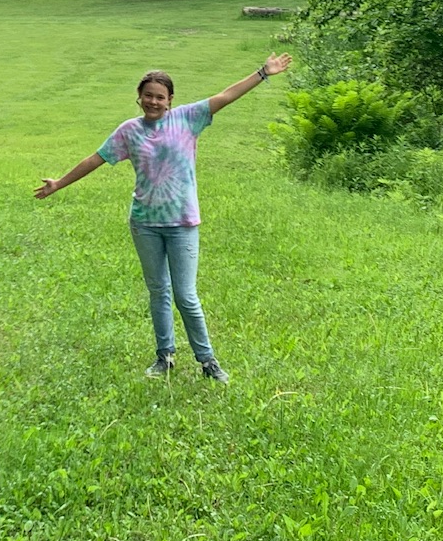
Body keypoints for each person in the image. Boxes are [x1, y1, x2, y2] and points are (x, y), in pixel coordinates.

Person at [35, 54, 292, 380]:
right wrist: (59, 183)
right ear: (139, 97)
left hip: (182, 223)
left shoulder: (188, 118)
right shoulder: (129, 131)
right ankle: (164, 356)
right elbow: (95, 159)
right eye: (148, 95)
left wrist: (263, 73)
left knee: (186, 296)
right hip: (145, 224)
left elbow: (226, 96)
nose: (153, 102)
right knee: (159, 291)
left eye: (160, 96)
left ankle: (207, 361)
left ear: (170, 100)